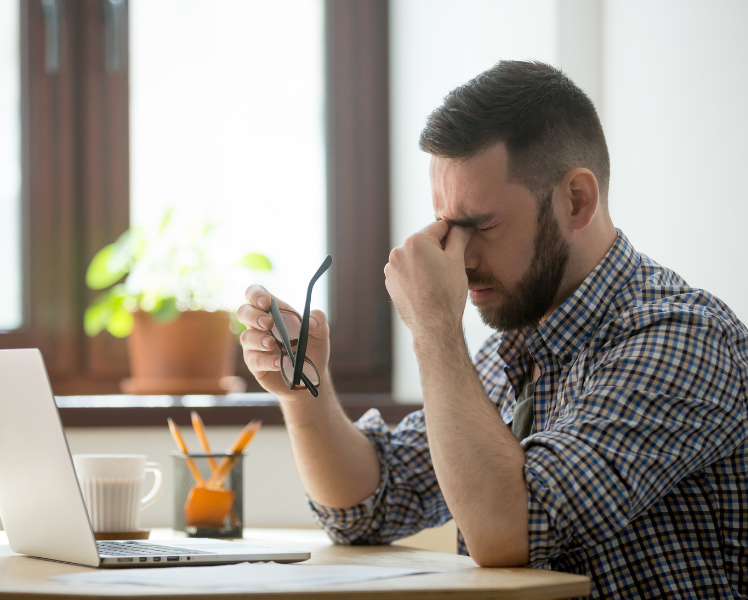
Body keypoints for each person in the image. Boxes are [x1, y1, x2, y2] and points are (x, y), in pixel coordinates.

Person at [236, 60, 748, 599]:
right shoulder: (515, 349)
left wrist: (434, 327)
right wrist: (302, 390)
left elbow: (510, 529)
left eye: (480, 225)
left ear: (577, 200)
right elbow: (367, 506)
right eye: (446, 228)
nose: (458, 259)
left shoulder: (680, 336)